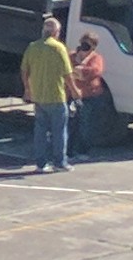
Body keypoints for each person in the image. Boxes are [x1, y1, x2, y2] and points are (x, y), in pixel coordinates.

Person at [20, 16, 80, 173]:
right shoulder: (59, 48)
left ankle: (41, 163)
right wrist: (75, 92)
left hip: (39, 96)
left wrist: (28, 89)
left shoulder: (32, 47)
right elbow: (68, 74)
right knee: (59, 131)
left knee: (40, 131)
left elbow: (24, 70)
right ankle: (60, 162)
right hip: (56, 95)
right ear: (56, 32)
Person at [67, 31, 105, 162]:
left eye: (89, 46)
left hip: (89, 96)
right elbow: (67, 70)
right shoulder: (72, 55)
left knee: (85, 124)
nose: (85, 48)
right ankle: (69, 151)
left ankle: (83, 150)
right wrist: (78, 69)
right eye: (84, 44)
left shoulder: (96, 58)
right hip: (72, 95)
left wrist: (80, 71)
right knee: (71, 123)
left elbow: (95, 71)